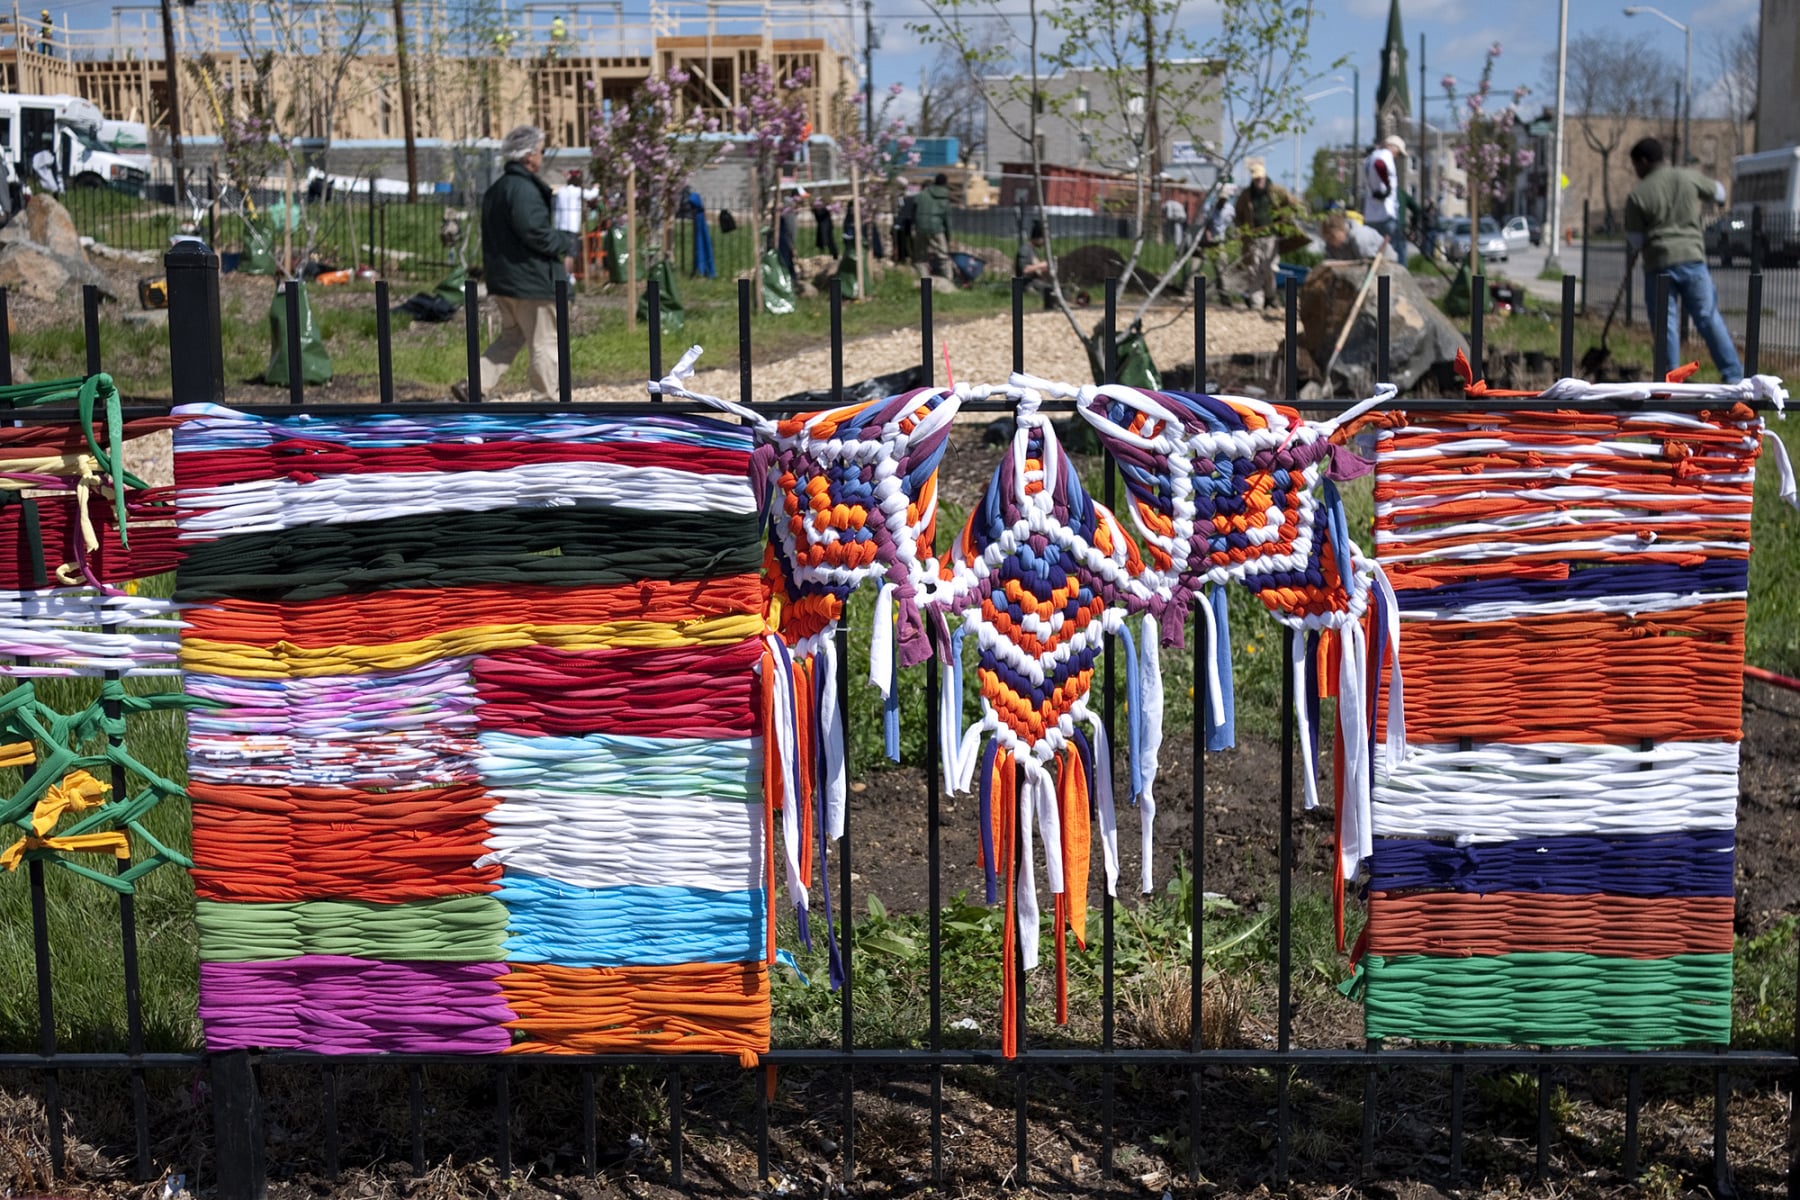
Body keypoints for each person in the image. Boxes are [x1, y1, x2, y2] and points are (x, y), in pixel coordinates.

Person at [453, 125, 573, 403]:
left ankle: (475, 385)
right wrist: (564, 242)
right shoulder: (523, 190)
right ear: (529, 155)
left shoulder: (498, 189)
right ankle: (545, 401)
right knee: (544, 341)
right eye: (541, 151)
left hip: (504, 280)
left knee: (511, 336)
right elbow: (535, 232)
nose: (542, 157)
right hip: (531, 281)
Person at [1624, 136, 1742, 383]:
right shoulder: (1687, 177)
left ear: (1643, 162)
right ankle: (1733, 375)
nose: (1636, 171)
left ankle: (1672, 380)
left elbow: (1635, 240)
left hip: (1659, 263)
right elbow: (1719, 193)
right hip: (1692, 259)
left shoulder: (1638, 195)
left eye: (1636, 165)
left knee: (1665, 323)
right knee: (1708, 316)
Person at [1225, 158, 1293, 314]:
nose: (1259, 181)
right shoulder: (1246, 195)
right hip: (1253, 238)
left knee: (1269, 268)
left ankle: (1270, 297)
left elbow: (1291, 205)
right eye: (1256, 179)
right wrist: (1243, 230)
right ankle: (1257, 303)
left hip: (1271, 237)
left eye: (1260, 178)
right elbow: (1238, 214)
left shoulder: (1276, 191)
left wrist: (1286, 222)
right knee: (1254, 270)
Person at [1361, 135, 1408, 266]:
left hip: (1370, 215)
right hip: (1386, 214)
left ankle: (1379, 283)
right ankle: (1398, 284)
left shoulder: (1368, 159)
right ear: (1393, 148)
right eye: (1398, 152)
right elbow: (1380, 165)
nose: (1397, 156)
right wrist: (1386, 184)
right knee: (1396, 253)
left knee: (1376, 254)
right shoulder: (1384, 155)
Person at [553, 167, 595, 277]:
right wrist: (596, 188)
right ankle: (568, 275)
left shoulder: (561, 191)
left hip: (560, 226)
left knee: (561, 252)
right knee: (570, 253)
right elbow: (591, 195)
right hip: (572, 226)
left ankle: (561, 274)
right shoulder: (577, 191)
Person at [912, 171, 953, 280]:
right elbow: (947, 219)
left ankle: (924, 280)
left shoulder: (922, 194)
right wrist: (948, 237)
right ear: (945, 183)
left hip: (921, 227)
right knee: (943, 255)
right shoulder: (945, 197)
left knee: (920, 257)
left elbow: (914, 209)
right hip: (937, 229)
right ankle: (948, 279)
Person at [1320, 213, 1389, 261]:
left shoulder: (1359, 237)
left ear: (1341, 230)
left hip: (1386, 264)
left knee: (1382, 280)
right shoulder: (1330, 246)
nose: (1330, 242)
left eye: (1332, 238)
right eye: (1328, 239)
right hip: (1357, 272)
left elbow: (1370, 264)